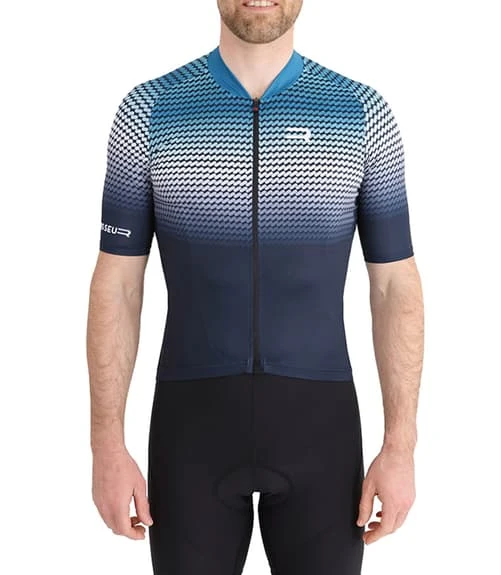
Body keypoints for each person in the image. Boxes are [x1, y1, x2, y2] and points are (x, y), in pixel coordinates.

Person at [87, 1, 424, 573]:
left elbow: (395, 286)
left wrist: (401, 447)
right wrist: (106, 446)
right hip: (190, 437)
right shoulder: (148, 111)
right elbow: (117, 283)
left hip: (322, 436)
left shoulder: (362, 113)